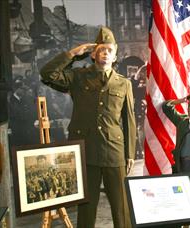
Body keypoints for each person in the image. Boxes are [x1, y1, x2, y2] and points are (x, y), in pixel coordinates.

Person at [40, 26, 136, 228]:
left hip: (114, 151)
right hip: (86, 150)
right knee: (86, 209)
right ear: (93, 53)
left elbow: (128, 120)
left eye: (110, 50)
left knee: (121, 209)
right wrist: (73, 54)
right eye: (101, 49)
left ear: (115, 54)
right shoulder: (78, 77)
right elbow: (47, 73)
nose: (106, 53)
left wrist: (130, 154)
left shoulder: (123, 83)